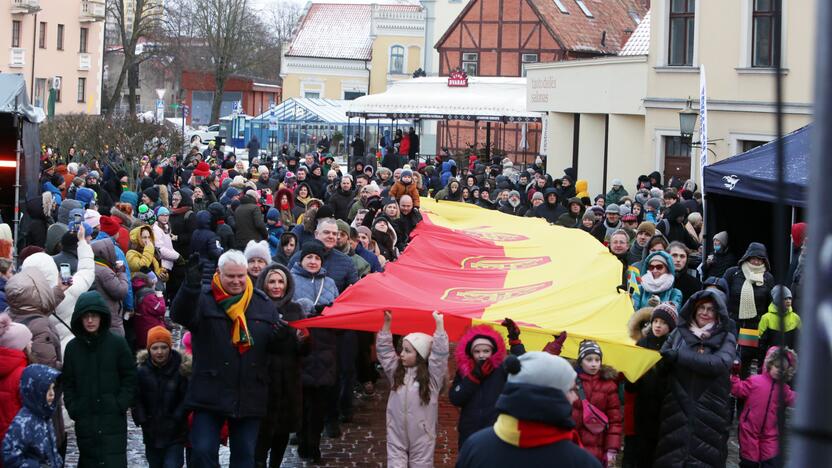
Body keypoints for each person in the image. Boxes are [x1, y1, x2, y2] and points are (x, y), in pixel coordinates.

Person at [171, 250, 281, 467]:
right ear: (219, 273)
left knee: (244, 456)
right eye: (230, 276)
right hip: (209, 391)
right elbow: (179, 315)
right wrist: (189, 287)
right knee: (202, 452)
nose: (237, 281)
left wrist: (289, 339)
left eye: (241, 275)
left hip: (249, 392)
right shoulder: (203, 299)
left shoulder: (261, 303)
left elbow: (274, 346)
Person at [456, 352, 601, 468]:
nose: (575, 397)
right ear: (550, 396)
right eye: (570, 390)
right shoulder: (581, 461)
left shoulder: (474, 447)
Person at [654, 290, 736, 468]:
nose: (705, 313)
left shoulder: (726, 338)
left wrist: (679, 357)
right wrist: (663, 363)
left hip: (709, 409)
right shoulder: (677, 334)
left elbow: (718, 363)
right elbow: (662, 363)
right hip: (676, 406)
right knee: (671, 456)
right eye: (701, 308)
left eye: (710, 309)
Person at [63, 291, 137, 467]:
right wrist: (75, 408)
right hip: (85, 419)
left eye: (94, 316)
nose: (90, 321)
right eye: (86, 316)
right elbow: (68, 383)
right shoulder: (73, 348)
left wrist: (120, 403)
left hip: (112, 419)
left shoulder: (117, 343)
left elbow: (130, 376)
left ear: (101, 317)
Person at [377, 310, 448, 467]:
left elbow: (439, 356)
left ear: (421, 355)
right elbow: (385, 352)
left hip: (423, 437)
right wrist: (387, 324)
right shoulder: (396, 372)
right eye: (402, 349)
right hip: (396, 435)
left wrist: (440, 326)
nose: (401, 354)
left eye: (407, 351)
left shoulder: (432, 379)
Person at [253, 264, 307, 468]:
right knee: (261, 436)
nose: (276, 286)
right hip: (263, 380)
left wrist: (303, 342)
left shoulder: (295, 309)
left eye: (280, 281)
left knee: (282, 433)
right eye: (272, 281)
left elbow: (304, 351)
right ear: (264, 284)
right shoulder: (256, 307)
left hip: (288, 380)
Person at [290, 240, 338, 463]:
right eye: (309, 257)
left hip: (324, 348)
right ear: (302, 259)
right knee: (301, 402)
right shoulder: (290, 279)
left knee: (319, 404)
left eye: (317, 258)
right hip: (299, 348)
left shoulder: (329, 283)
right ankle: (302, 438)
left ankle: (314, 443)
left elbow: (337, 311)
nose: (313, 261)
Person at [449, 320, 526, 447]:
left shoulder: (501, 369)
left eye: (486, 351)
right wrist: (473, 378)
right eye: (477, 351)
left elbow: (522, 366)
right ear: (471, 353)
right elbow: (456, 398)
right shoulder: (464, 371)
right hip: (469, 433)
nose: (481, 355)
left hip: (496, 432)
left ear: (493, 351)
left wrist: (515, 340)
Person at [133, 326, 190, 468]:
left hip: (175, 433)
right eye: (155, 348)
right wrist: (142, 418)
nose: (159, 352)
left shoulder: (180, 370)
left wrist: (177, 417)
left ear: (169, 348)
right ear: (149, 349)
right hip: (151, 432)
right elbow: (136, 398)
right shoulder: (141, 372)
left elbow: (186, 398)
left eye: (164, 347)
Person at [628, 303, 677, 468]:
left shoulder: (672, 347)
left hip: (663, 406)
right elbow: (634, 373)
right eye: (655, 321)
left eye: (663, 322)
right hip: (643, 404)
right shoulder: (642, 343)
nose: (658, 325)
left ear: (670, 327)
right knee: (642, 448)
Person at [730, 346, 797, 468]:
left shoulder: (784, 390)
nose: (779, 371)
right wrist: (734, 377)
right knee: (749, 463)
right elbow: (738, 390)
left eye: (783, 369)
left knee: (771, 463)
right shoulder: (755, 381)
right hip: (749, 430)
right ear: (770, 364)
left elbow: (796, 399)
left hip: (770, 434)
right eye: (777, 367)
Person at [723, 242, 775, 377]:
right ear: (747, 257)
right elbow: (722, 296)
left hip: (753, 327)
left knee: (744, 363)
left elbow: (770, 305)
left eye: (760, 259)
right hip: (732, 324)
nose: (756, 261)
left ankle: (740, 396)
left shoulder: (768, 278)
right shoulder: (732, 273)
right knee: (727, 358)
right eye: (753, 257)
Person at [570, 340, 622, 467]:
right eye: (589, 359)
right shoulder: (570, 381)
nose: (594, 364)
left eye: (597, 360)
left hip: (597, 449)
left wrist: (611, 450)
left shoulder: (609, 385)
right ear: (580, 361)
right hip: (572, 446)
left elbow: (615, 420)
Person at [1, 364, 63, 468]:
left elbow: (50, 446)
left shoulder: (44, 415)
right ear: (34, 390)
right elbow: (8, 454)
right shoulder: (23, 422)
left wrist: (57, 461)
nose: (52, 394)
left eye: (53, 388)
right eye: (47, 389)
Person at [0, 312, 32, 450]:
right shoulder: (23, 373)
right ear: (21, 346)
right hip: (18, 439)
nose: (31, 342)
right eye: (28, 340)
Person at [757, 285, 801, 357]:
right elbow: (760, 342)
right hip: (771, 359)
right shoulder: (766, 318)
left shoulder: (796, 318)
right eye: (785, 298)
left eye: (790, 298)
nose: (788, 301)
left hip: (791, 359)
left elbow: (801, 341)